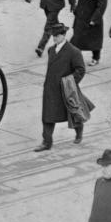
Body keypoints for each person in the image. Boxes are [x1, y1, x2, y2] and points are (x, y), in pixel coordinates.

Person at [35, 23, 87, 151]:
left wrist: (69, 83)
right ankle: (47, 142)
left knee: (74, 113)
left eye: (57, 36)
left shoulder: (74, 51)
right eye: (53, 36)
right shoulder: (51, 50)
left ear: (64, 35)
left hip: (67, 90)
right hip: (51, 89)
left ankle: (79, 132)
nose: (54, 38)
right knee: (47, 116)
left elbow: (80, 70)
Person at [71, 0, 108, 66]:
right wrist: (76, 11)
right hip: (81, 17)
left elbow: (102, 5)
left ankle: (96, 58)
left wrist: (94, 19)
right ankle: (75, 59)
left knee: (94, 40)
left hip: (92, 18)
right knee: (76, 39)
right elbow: (81, 0)